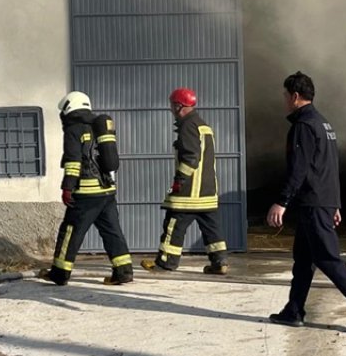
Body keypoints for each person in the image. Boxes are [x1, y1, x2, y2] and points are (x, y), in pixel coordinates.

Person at [266, 72, 346, 333]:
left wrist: (282, 202)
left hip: (313, 203)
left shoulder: (304, 126)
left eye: (285, 95)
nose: (283, 100)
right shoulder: (323, 124)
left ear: (295, 97)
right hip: (321, 201)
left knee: (328, 258)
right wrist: (335, 203)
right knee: (304, 260)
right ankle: (293, 310)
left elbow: (300, 168)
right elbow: (329, 166)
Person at [44, 91, 133, 286]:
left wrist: (67, 187)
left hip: (85, 192)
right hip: (106, 191)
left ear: (69, 108)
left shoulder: (74, 129)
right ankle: (124, 271)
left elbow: (73, 161)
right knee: (112, 231)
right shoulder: (98, 125)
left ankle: (59, 273)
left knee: (70, 232)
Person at [142, 88, 230, 275]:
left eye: (172, 105)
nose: (171, 109)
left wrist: (179, 181)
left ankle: (166, 262)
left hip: (189, 193)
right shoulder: (203, 125)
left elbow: (191, 158)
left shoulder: (188, 126)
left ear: (178, 105)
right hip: (207, 192)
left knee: (174, 226)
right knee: (212, 230)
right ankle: (219, 262)